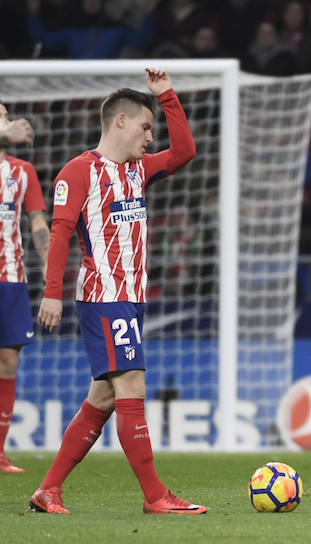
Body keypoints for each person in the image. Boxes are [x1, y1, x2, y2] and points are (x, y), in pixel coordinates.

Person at [30, 68, 205, 515]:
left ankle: (48, 490)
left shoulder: (138, 172)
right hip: (105, 296)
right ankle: (155, 496)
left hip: (132, 298)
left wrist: (166, 96)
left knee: (105, 397)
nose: (151, 137)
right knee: (132, 385)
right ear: (120, 121)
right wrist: (52, 293)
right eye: (146, 127)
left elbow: (185, 151)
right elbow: (61, 232)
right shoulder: (79, 170)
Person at [0, 103, 49, 474]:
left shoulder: (23, 171)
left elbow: (36, 221)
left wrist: (48, 259)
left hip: (11, 277)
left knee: (9, 360)